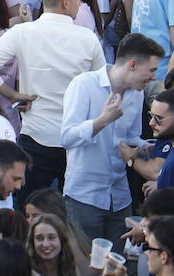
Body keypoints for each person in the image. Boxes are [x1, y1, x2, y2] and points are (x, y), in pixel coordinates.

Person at [0, 0, 104, 203]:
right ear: (66, 2)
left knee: (28, 210)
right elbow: (102, 86)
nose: (80, 4)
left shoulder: (22, 33)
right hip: (77, 140)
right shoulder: (88, 39)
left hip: (36, 136)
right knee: (75, 213)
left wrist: (13, 95)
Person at [59, 33, 164, 245]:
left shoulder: (136, 94)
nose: (154, 77)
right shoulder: (84, 85)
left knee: (116, 263)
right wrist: (103, 121)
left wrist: (148, 147)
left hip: (119, 197)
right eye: (151, 70)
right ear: (133, 65)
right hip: (84, 197)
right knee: (85, 264)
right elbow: (67, 138)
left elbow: (130, 138)